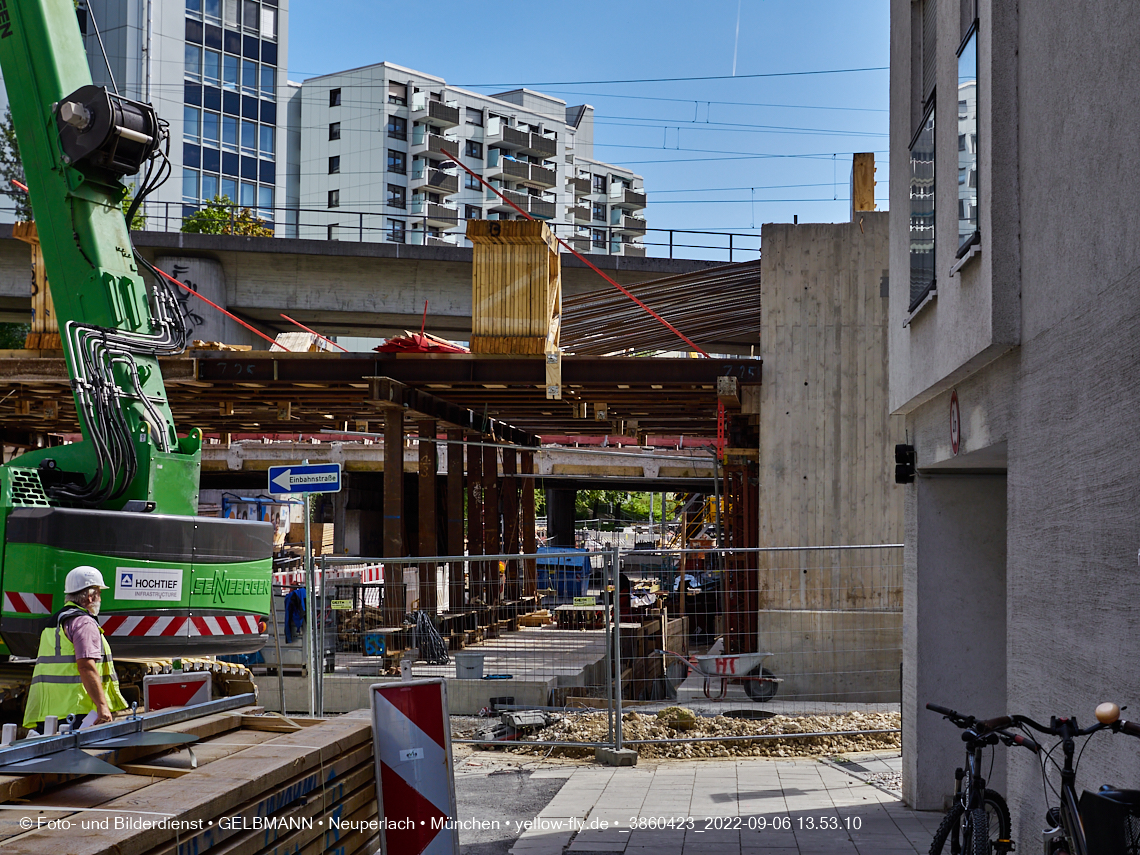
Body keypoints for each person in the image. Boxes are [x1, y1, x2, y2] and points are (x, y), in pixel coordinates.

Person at [22, 566, 128, 730]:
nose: (100, 599)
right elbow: (86, 666)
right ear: (91, 597)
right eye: (99, 594)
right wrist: (102, 706)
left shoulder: (54, 623)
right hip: (77, 712)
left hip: (49, 711)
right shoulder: (84, 623)